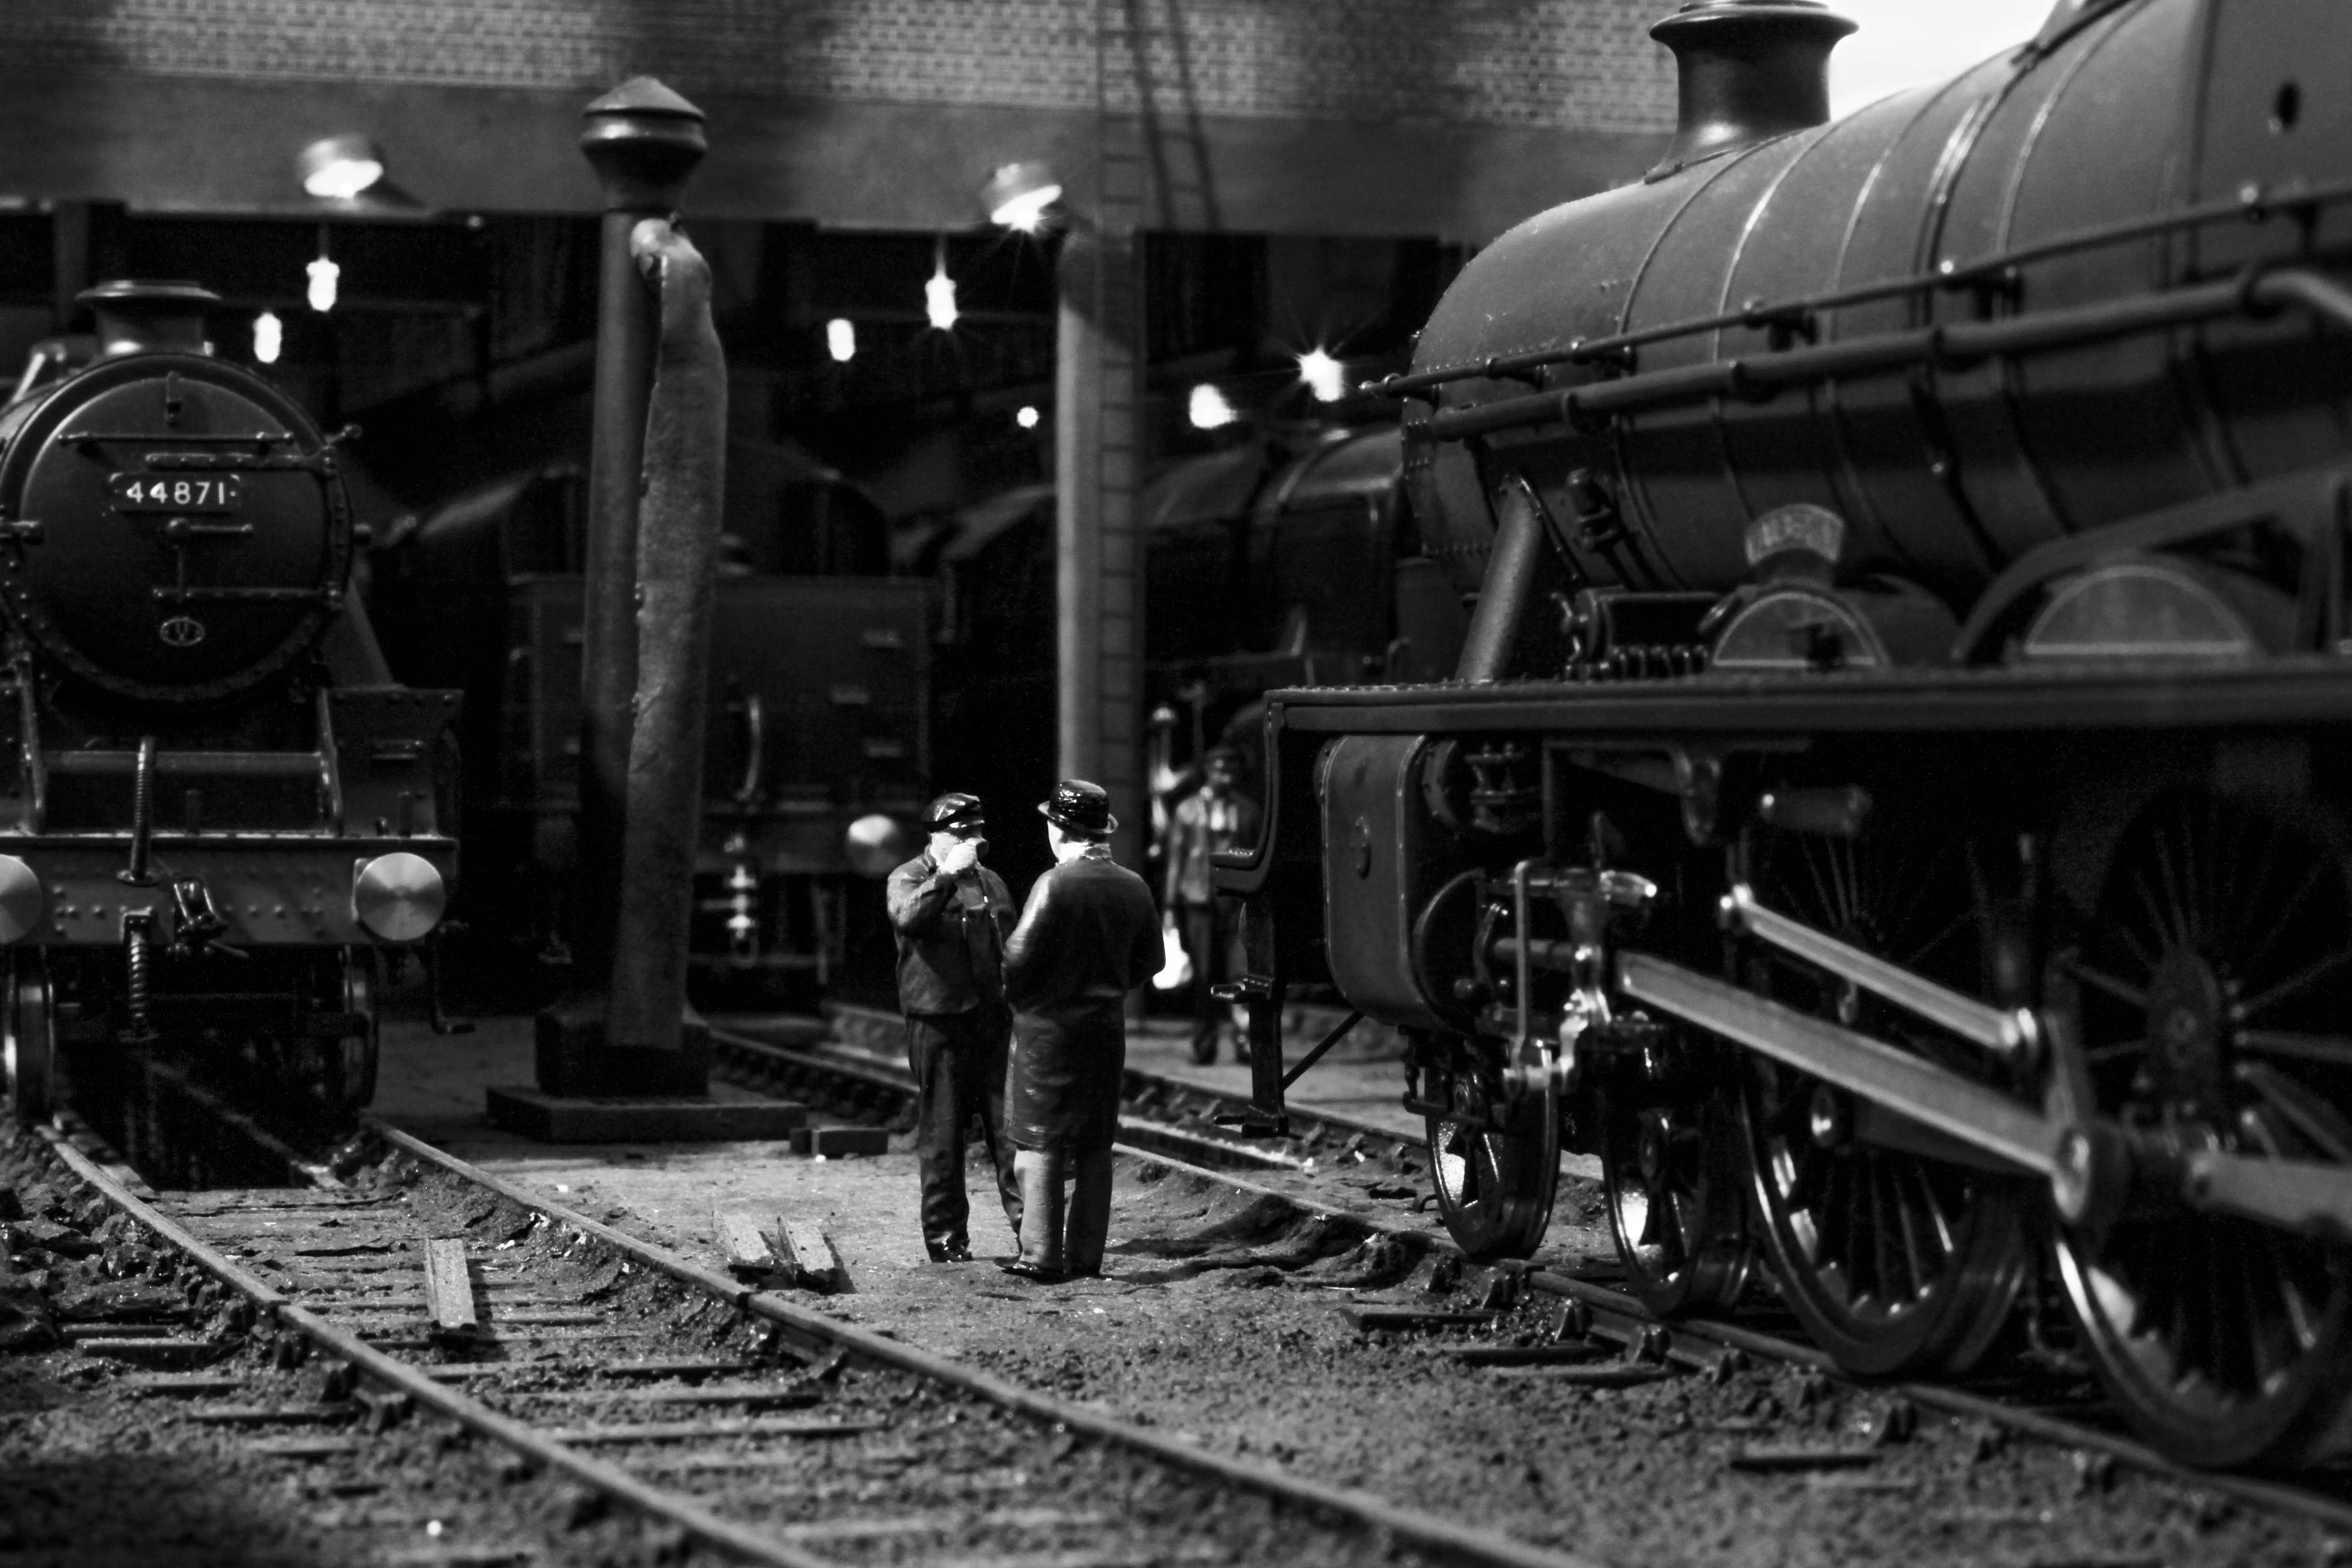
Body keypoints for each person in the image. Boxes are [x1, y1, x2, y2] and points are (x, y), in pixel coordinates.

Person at [999, 780, 1161, 1282]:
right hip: (1104, 1030)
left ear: (1058, 829)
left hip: (1048, 1033)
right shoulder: (1133, 885)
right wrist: (1108, 986)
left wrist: (1025, 992)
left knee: (1041, 1139)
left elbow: (1017, 958)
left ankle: (1041, 1254)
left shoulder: (1055, 884)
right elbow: (1151, 960)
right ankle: (1086, 1256)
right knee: (1094, 1142)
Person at [886, 791, 1022, 1263]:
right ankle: (946, 1238)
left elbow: (1010, 940)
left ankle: (1033, 1230)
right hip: (938, 1020)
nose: (971, 842)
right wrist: (944, 876)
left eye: (975, 834)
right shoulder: (909, 877)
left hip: (990, 1018)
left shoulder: (991, 882)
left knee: (1009, 1130)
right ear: (937, 837)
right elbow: (908, 918)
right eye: (960, 834)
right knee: (943, 1133)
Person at [1161, 747, 1262, 1064]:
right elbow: (1176, 859)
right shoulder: (1188, 810)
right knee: (1204, 976)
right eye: (1219, 769)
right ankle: (1204, 1044)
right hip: (1198, 900)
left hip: (1236, 903)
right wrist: (1168, 905)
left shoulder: (1247, 811)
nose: (1225, 775)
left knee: (1241, 974)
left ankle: (1245, 1041)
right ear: (1208, 771)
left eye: (1230, 769)